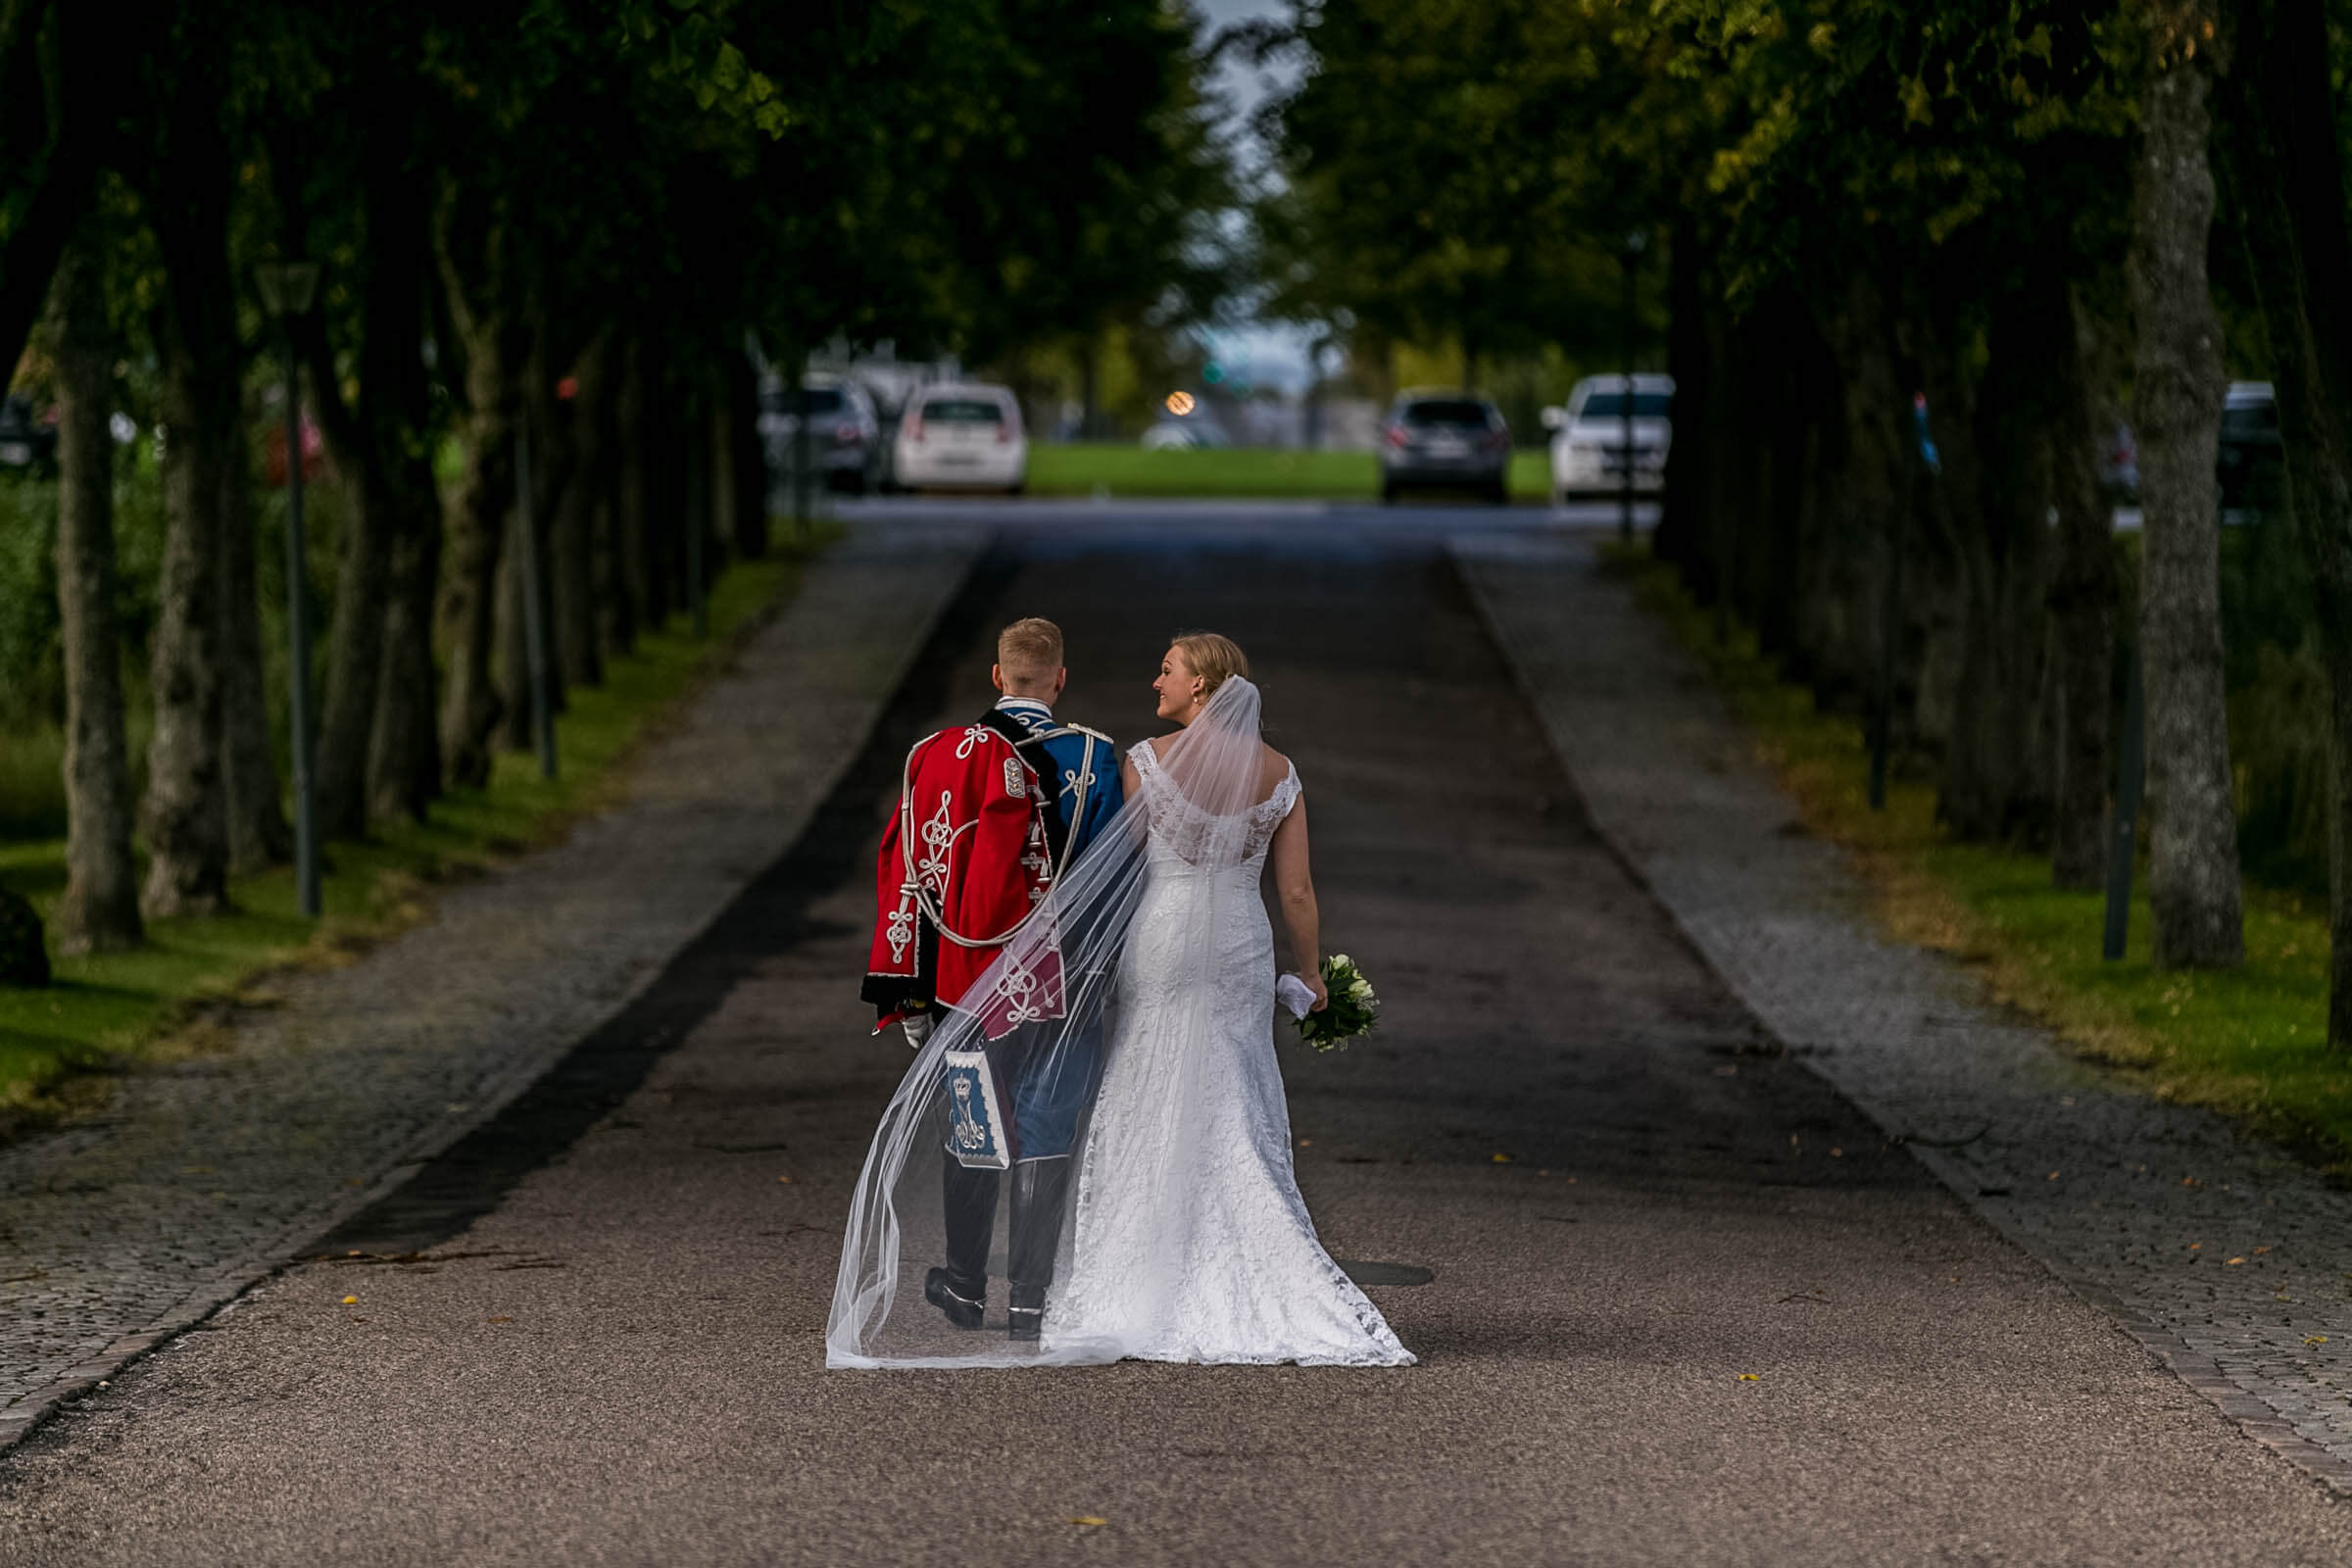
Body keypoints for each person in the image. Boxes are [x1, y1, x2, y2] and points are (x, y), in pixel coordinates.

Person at [829, 631, 1412, 1369]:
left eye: (1166, 670)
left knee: (1136, 1087)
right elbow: (1294, 890)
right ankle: (1202, 1263)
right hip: (1240, 944)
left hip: (1156, 943)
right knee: (1234, 1090)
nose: (1154, 680)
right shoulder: (1276, 773)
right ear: (1059, 677)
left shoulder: (1136, 761)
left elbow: (1108, 868)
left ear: (1201, 686)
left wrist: (1052, 962)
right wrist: (1311, 976)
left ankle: (1043, 1279)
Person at [859, 617, 1119, 1342]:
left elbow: (909, 874)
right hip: (1064, 976)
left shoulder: (938, 756)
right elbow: (1118, 884)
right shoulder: (1095, 758)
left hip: (964, 978)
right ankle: (1030, 1302)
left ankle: (967, 1286)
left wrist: (907, 991)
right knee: (1047, 1123)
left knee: (974, 1116)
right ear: (1059, 681)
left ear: (997, 678)